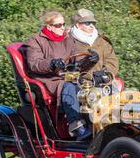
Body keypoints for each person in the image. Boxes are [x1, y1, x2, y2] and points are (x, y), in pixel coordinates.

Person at [22, 10, 98, 140]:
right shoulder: (35, 41)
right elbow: (35, 64)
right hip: (48, 80)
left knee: (93, 85)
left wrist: (90, 61)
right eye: (58, 25)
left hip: (68, 77)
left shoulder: (68, 40)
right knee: (69, 87)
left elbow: (77, 64)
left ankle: (96, 123)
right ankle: (76, 126)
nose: (62, 27)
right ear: (49, 26)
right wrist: (51, 63)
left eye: (63, 24)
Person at [69, 9, 119, 85]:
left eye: (93, 23)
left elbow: (112, 62)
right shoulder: (67, 41)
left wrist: (105, 75)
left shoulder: (103, 41)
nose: (91, 26)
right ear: (77, 24)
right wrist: (78, 79)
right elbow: (65, 69)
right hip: (77, 84)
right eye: (87, 23)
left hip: (102, 83)